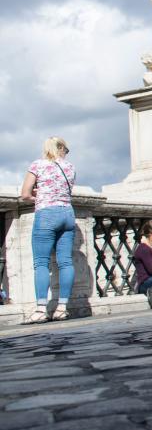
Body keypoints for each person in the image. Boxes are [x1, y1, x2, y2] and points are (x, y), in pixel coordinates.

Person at [19, 137, 76, 323]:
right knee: (66, 262)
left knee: (41, 263)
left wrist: (38, 195)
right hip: (67, 213)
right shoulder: (70, 167)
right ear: (62, 149)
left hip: (47, 214)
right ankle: (61, 308)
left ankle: (41, 309)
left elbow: (25, 193)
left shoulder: (38, 165)